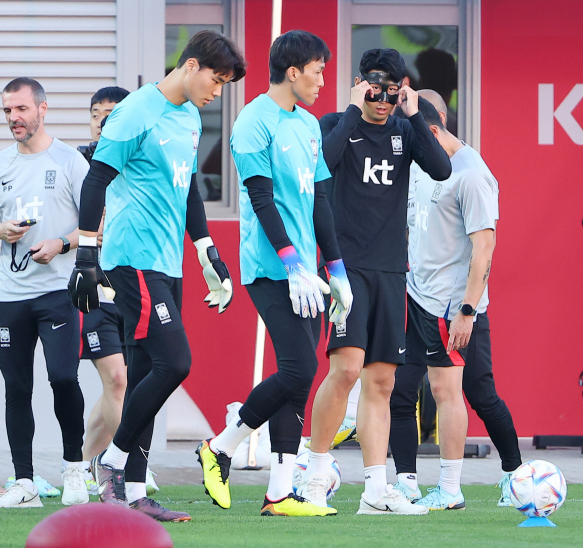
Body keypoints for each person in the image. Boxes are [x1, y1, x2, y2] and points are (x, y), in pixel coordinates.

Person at [69, 30, 246, 523]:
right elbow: (96, 178)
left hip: (170, 263)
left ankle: (136, 493)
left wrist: (208, 251)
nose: (217, 91)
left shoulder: (189, 116)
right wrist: (86, 258)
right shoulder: (134, 113)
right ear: (191, 65)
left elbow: (188, 186)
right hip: (133, 259)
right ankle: (114, 462)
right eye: (217, 79)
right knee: (176, 362)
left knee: (148, 373)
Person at [197, 30, 352, 518]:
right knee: (300, 369)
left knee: (297, 379)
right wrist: (289, 261)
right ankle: (219, 447)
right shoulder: (251, 122)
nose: (323, 81)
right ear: (293, 71)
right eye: (318, 71)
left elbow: (320, 200)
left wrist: (336, 268)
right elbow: (261, 198)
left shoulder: (307, 125)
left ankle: (280, 493)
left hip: (310, 272)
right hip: (270, 268)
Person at [300, 48, 451, 514]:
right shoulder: (334, 123)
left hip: (390, 268)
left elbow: (441, 169)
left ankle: (374, 488)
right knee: (345, 369)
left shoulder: (406, 128)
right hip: (346, 267)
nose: (382, 100)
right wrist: (350, 109)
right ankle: (314, 471)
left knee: (381, 380)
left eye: (391, 91)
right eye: (375, 89)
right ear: (361, 84)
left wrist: (413, 113)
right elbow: (321, 165)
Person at [389, 91, 522, 510]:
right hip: (416, 297)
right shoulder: (419, 162)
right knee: (399, 390)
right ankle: (406, 483)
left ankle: (497, 479)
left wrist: (466, 310)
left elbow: (484, 248)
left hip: (452, 308)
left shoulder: (472, 174)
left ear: (431, 129)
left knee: (474, 394)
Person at [0, 77, 90, 508]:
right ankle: (24, 483)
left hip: (57, 291)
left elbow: (99, 224)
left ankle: (74, 469)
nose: (13, 119)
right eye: (7, 111)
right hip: (11, 297)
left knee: (62, 377)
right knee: (17, 387)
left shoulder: (71, 161)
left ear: (43, 109)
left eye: (20, 109)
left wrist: (61, 243)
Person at [77, 85, 158, 496]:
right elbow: (65, 221)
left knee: (131, 379)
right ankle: (95, 465)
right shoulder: (79, 162)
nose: (103, 121)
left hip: (132, 280)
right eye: (97, 114)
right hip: (93, 287)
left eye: (112, 114)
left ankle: (101, 460)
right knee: (116, 378)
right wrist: (86, 239)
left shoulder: (140, 155)